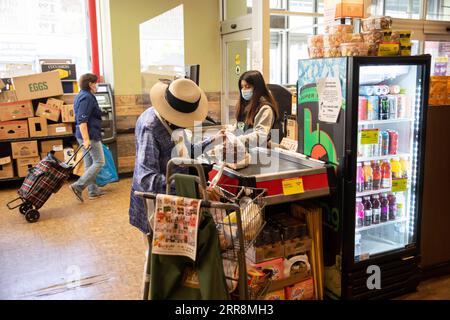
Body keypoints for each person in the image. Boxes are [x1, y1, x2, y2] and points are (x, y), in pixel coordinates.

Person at [129, 78, 224, 234]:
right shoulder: (151, 127)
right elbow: (146, 178)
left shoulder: (174, 123)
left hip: (176, 202)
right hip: (155, 203)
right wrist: (195, 188)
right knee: (156, 255)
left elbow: (185, 153)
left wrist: (213, 140)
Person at [69, 73, 105, 202]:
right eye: (96, 83)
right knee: (100, 161)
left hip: (84, 134)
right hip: (89, 135)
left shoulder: (81, 95)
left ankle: (93, 190)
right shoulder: (87, 97)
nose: (97, 85)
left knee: (89, 163)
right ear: (90, 84)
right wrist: (86, 139)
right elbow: (82, 120)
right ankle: (78, 186)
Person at [231, 70, 279, 147]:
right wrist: (228, 134)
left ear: (257, 88)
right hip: (244, 151)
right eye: (242, 87)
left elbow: (260, 135)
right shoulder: (245, 106)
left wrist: (237, 140)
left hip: (258, 155)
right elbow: (239, 126)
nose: (244, 90)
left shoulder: (265, 109)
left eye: (247, 87)